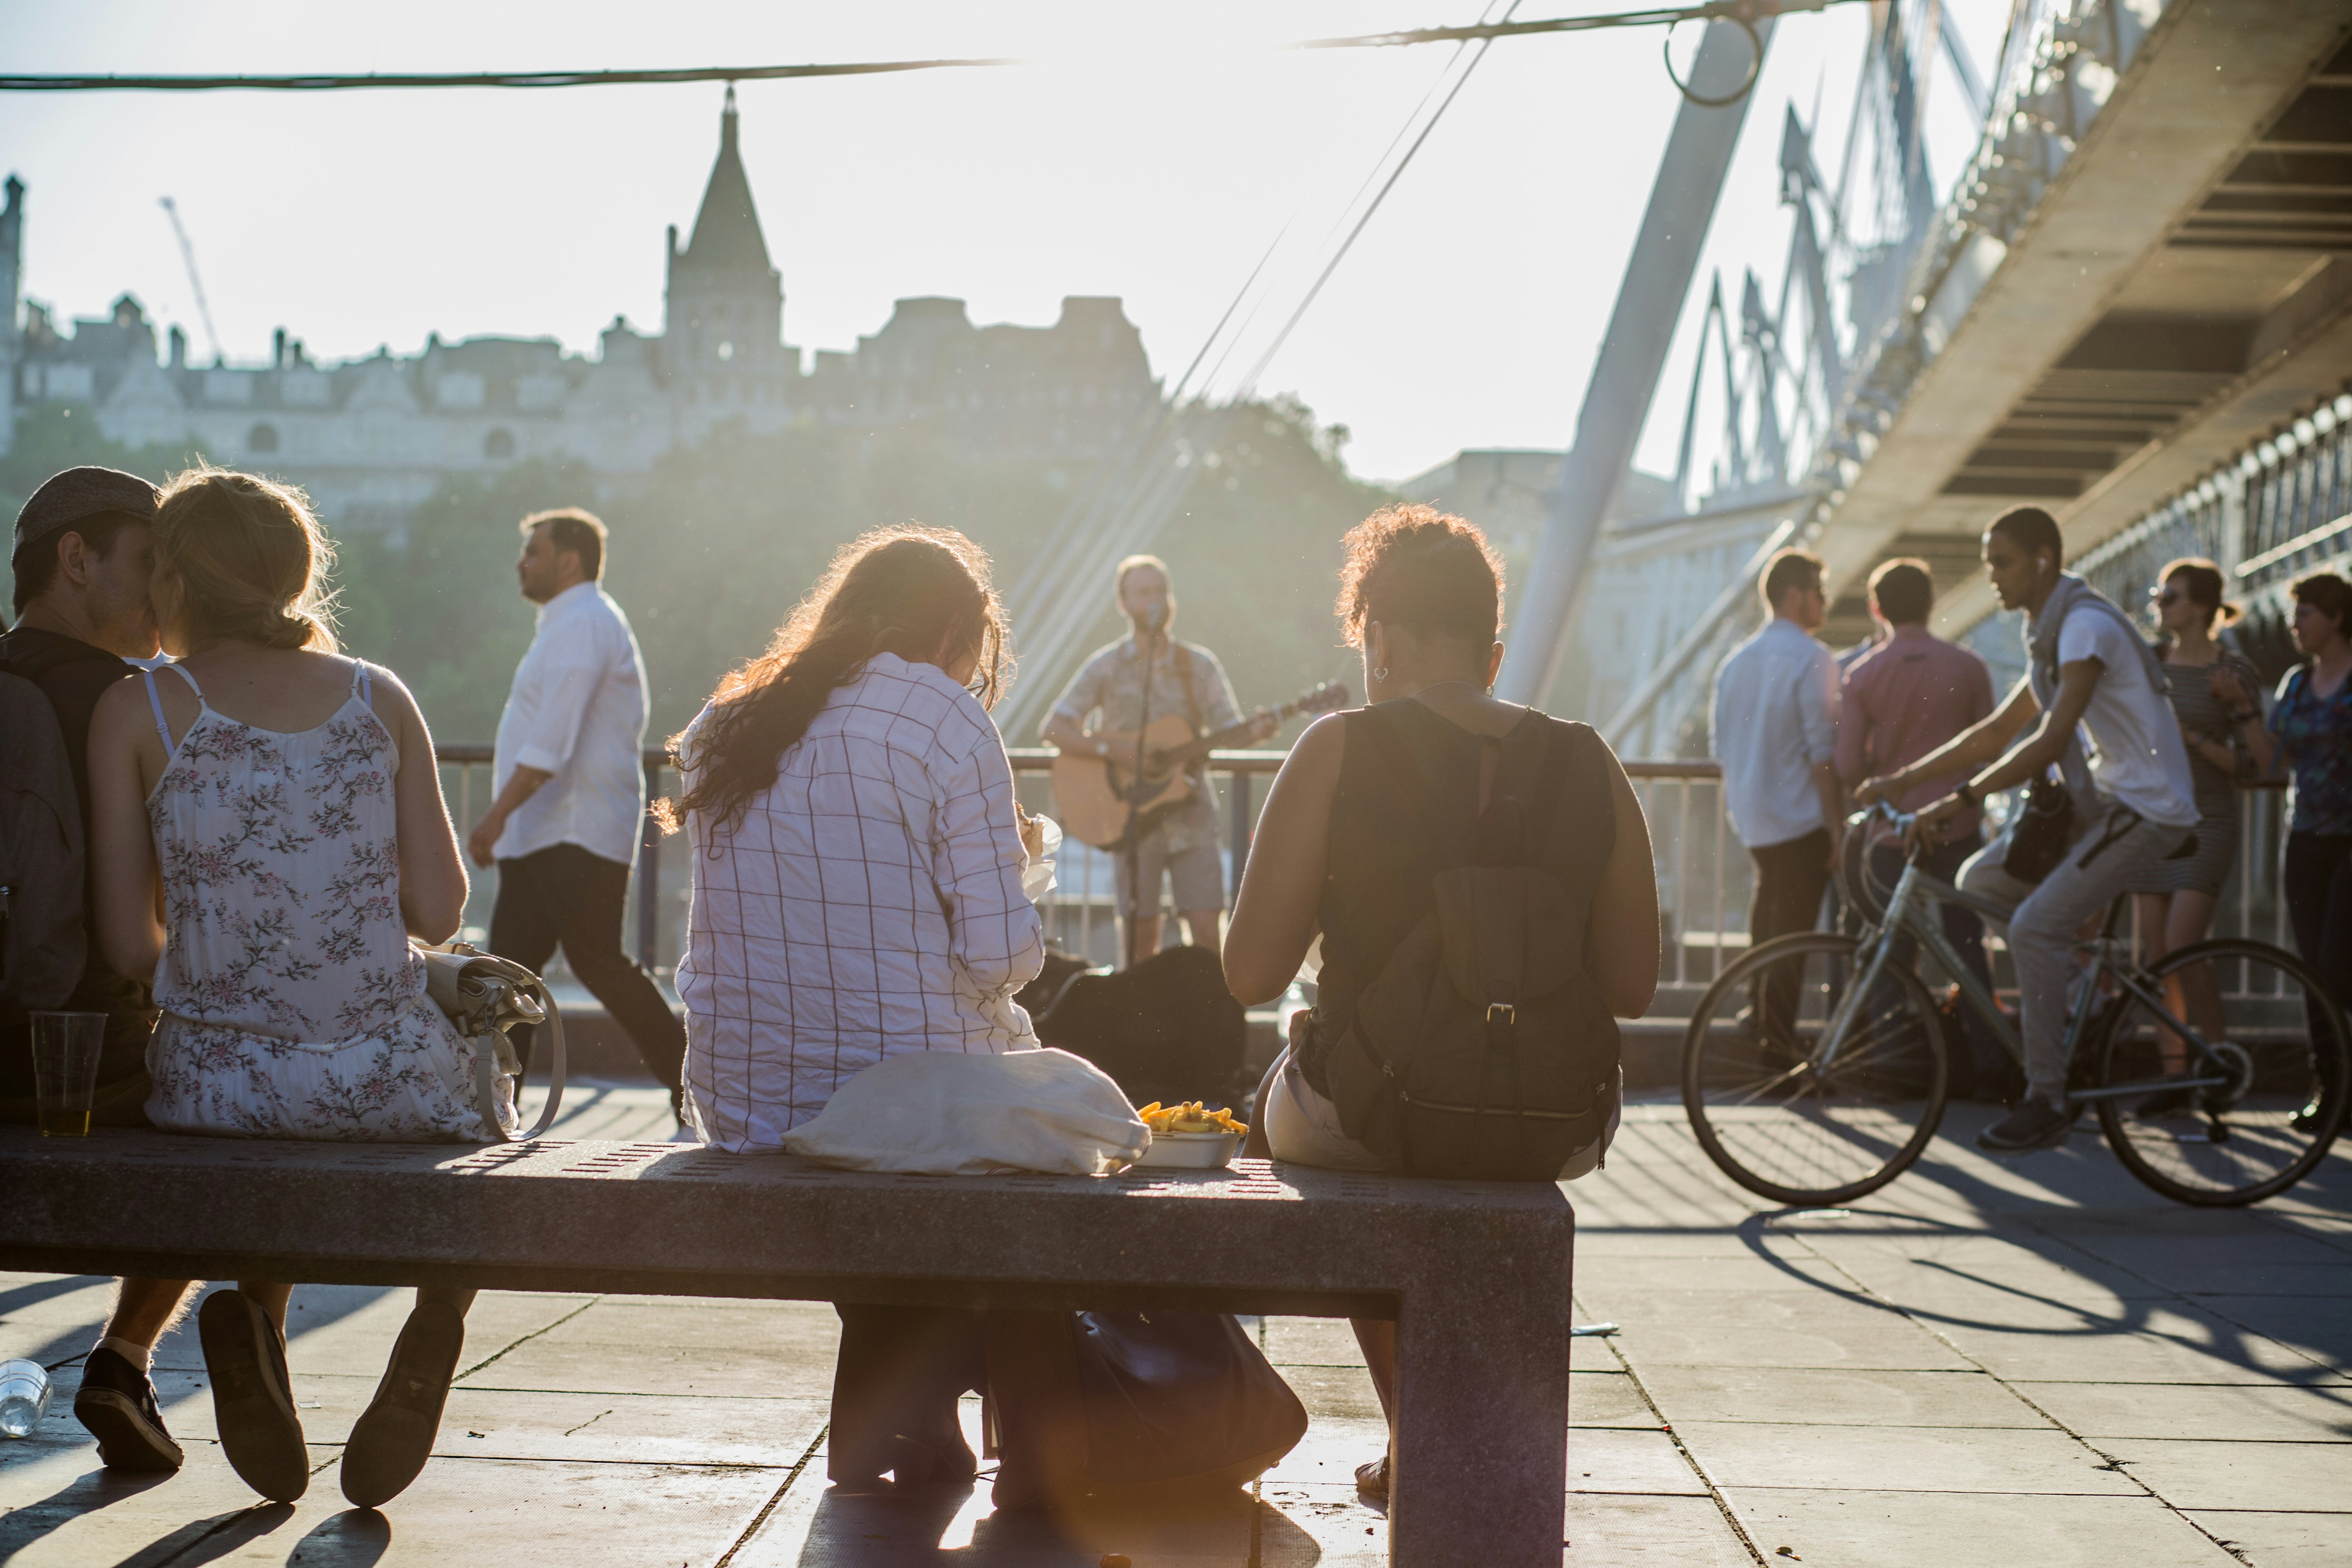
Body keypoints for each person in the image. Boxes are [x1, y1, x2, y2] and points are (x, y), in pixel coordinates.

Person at [1223, 503, 1658, 1502]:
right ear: (1493, 651)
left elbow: (1248, 973)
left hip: (1372, 1114)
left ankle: (1411, 1423)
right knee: (1442, 1127)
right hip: (1556, 1115)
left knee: (1291, 1107)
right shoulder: (1591, 760)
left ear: (1374, 637)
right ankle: (1470, 1418)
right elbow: (1631, 986)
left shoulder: (1339, 746)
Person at [86, 467, 497, 1509]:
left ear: (173, 579)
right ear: (295, 574)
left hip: (215, 1084)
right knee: (480, 1092)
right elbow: (441, 911)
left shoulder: (135, 709)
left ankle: (250, 1325)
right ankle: (438, 1312)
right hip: (385, 1074)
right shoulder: (378, 695)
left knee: (270, 1094)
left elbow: (129, 945)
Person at [666, 522, 1040, 1485]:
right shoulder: (943, 718)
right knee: (1055, 1116)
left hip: (748, 1099)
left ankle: (903, 1399)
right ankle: (980, 1388)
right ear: (957, 631)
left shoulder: (732, 715)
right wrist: (1017, 861)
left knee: (881, 1105)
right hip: (906, 1107)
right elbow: (1001, 956)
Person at [1858, 506, 2197, 1153]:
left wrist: (1957, 801)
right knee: (1977, 876)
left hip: (2146, 810)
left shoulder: (2085, 629)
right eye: (1988, 563)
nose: (1991, 576)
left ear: (2044, 560)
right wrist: (1901, 781)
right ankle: (2085, 976)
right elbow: (1991, 734)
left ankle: (2048, 1096)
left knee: (2032, 927)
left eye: (2002, 562)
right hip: (2110, 801)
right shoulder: (2051, 634)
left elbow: (2049, 742)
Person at [0, 466, 200, 1475]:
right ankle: (124, 1356)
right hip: (99, 1065)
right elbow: (164, 927)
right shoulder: (139, 707)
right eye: (151, 567)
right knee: (249, 1092)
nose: (166, 594)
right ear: (76, 560)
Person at [467, 509, 684, 1119]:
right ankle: (494, 1102)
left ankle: (694, 1080)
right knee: (512, 974)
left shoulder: (585, 623)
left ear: (569, 560)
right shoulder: (568, 623)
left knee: (594, 962)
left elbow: (551, 745)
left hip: (573, 827)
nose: (521, 561)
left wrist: (494, 818)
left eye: (532, 551)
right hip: (548, 830)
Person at [1039, 555, 1275, 964]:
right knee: (1138, 933)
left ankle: (1208, 1021)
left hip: (1192, 815)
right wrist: (1111, 750)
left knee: (1206, 927)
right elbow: (1055, 728)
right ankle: (1135, 1023)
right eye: (1144, 592)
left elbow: (1229, 727)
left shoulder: (1197, 664)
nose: (1155, 600)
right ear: (1124, 603)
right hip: (1130, 817)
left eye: (1161, 591)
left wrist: (1256, 731)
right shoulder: (1107, 665)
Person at [1834, 557, 2005, 1097]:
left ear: (1876, 608)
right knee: (1966, 946)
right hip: (1956, 824)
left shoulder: (1862, 674)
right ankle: (1988, 1065)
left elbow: (1844, 766)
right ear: (1931, 605)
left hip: (1892, 833)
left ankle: (1891, 1067)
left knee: (1892, 951)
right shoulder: (1968, 666)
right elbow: (1989, 748)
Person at [2123, 558, 2267, 1115]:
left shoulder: (2232, 673)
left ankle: (2220, 1057)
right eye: (2159, 595)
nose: (2160, 604)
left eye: (2171, 596)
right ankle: (2174, 1075)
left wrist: (2195, 737)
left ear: (2202, 606)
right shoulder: (2150, 665)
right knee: (2153, 956)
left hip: (2207, 818)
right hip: (2153, 820)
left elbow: (2259, 768)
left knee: (2183, 945)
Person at [1710, 548, 1843, 1051]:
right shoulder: (1812, 658)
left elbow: (1720, 744)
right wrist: (1836, 826)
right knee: (1793, 937)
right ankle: (1777, 1045)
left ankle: (1758, 1014)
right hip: (1800, 819)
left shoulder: (1734, 663)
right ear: (1793, 596)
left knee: (1768, 916)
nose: (1824, 601)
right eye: (1817, 591)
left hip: (1751, 815)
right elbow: (1821, 753)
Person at [2241, 572, 2352, 1089]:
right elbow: (2270, 764)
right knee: (2313, 968)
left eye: (2305, 613)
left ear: (2335, 618)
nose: (2294, 624)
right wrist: (2243, 711)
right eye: (2293, 613)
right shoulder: (2295, 682)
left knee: (2337, 963)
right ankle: (2328, 1087)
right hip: (2305, 837)